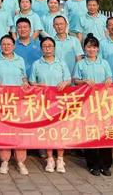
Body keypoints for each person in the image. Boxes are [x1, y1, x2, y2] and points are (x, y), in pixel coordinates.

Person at [73, 34, 113, 177]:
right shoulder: (81, 64)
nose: (91, 50)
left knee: (104, 132)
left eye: (94, 47)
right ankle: (92, 164)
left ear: (98, 49)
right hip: (87, 103)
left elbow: (109, 77)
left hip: (103, 102)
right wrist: (84, 81)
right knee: (90, 132)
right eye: (89, 47)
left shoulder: (104, 63)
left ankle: (105, 164)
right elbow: (75, 80)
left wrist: (108, 80)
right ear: (84, 48)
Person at [29, 37, 71, 173]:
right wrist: (38, 85)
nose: (48, 49)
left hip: (60, 102)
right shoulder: (37, 64)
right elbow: (31, 82)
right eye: (45, 46)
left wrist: (65, 83)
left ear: (54, 48)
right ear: (41, 49)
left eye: (50, 46)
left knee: (60, 130)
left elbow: (68, 79)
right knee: (48, 130)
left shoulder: (61, 63)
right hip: (44, 102)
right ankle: (50, 158)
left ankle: (60, 158)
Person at [0, 35, 30, 176]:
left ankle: (20, 162)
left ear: (14, 46)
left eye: (9, 44)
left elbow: (24, 77)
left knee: (19, 131)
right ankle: (4, 161)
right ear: (0, 46)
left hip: (18, 101)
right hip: (2, 101)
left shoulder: (20, 60)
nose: (6, 46)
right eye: (3, 44)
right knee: (4, 131)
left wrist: (25, 82)